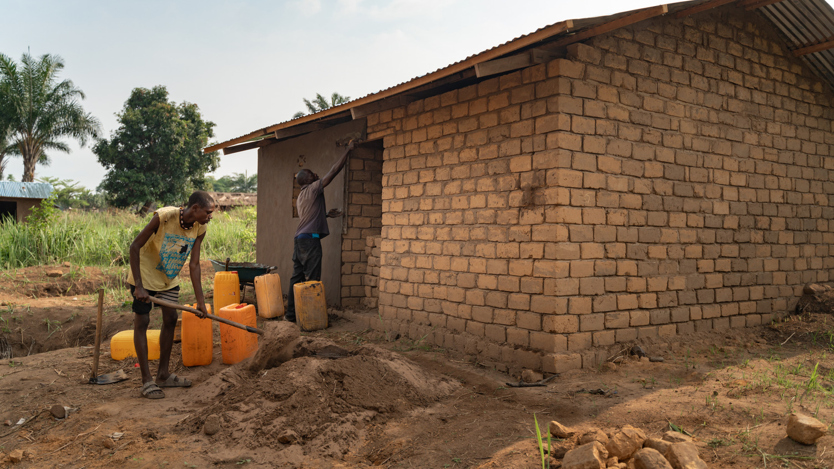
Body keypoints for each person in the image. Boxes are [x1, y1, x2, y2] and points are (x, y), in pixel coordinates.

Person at [127, 191, 215, 399]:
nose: (210, 216)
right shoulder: (164, 217)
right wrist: (139, 286)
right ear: (195, 209)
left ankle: (163, 375)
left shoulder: (199, 228)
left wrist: (200, 302)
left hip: (168, 278)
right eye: (208, 212)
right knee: (143, 321)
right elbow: (134, 247)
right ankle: (147, 380)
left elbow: (194, 265)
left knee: (171, 318)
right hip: (145, 276)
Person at [285, 140, 355, 322]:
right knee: (312, 278)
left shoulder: (302, 196)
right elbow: (333, 172)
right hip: (309, 241)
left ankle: (291, 315)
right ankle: (311, 317)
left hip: (300, 239)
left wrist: (326, 215)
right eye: (311, 174)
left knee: (297, 277)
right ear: (306, 181)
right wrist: (347, 151)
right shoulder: (314, 188)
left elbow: (310, 217)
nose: (315, 175)